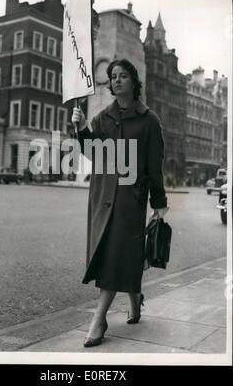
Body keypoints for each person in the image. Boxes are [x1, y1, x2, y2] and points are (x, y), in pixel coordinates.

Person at [71, 59, 169, 348]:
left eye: (122, 75)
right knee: (114, 253)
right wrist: (81, 130)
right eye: (113, 76)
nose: (116, 80)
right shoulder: (102, 118)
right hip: (102, 197)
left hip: (130, 199)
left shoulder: (149, 120)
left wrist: (159, 201)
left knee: (116, 255)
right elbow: (94, 153)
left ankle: (98, 319)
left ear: (134, 81)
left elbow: (155, 166)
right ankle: (135, 298)